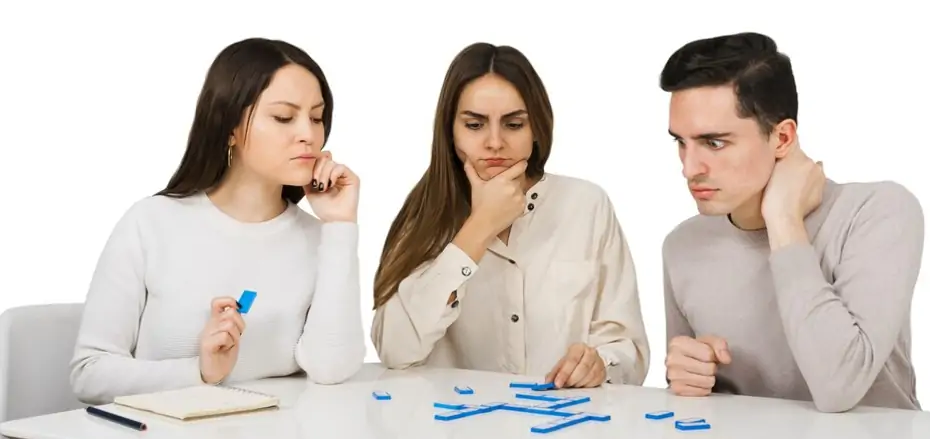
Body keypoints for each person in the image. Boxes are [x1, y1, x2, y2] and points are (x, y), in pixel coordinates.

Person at [69, 38, 366, 405]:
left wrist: (340, 227)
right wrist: (199, 372)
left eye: (317, 117)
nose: (308, 133)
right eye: (284, 117)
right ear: (229, 127)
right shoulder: (151, 224)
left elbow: (332, 368)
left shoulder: (319, 240)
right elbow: (88, 373)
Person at [658, 32, 924, 413]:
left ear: (782, 137)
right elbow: (699, 404)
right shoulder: (682, 245)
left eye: (714, 143)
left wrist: (783, 220)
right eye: (680, 142)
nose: (689, 168)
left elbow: (839, 388)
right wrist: (687, 374)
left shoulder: (878, 213)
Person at [370, 42, 649, 388]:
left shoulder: (586, 204)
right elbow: (395, 352)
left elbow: (629, 352)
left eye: (514, 124)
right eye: (475, 125)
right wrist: (478, 228)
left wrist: (601, 364)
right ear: (450, 131)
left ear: (536, 131)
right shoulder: (425, 214)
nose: (495, 142)